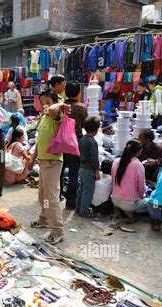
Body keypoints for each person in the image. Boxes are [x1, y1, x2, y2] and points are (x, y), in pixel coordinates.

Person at [28, 89, 70, 245]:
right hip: (43, 161)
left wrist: (59, 103)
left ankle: (57, 230)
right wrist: (32, 159)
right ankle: (44, 219)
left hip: (53, 162)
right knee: (42, 195)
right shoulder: (43, 118)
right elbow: (39, 141)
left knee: (51, 198)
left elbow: (53, 109)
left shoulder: (56, 115)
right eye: (42, 102)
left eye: (48, 102)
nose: (45, 105)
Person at [62, 80, 88, 210]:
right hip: (75, 142)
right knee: (73, 172)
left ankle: (56, 196)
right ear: (78, 92)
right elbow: (84, 125)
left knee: (60, 170)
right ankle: (70, 201)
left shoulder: (60, 106)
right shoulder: (81, 107)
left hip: (61, 141)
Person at [111, 139, 148, 222]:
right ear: (138, 152)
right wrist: (142, 196)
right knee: (150, 202)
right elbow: (141, 189)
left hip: (114, 200)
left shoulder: (116, 161)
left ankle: (118, 212)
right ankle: (130, 214)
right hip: (128, 204)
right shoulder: (138, 165)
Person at [76, 117, 101, 218]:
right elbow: (94, 158)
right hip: (89, 169)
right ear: (96, 130)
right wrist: (97, 170)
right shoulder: (92, 142)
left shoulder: (82, 139)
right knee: (88, 191)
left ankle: (78, 208)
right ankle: (84, 210)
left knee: (81, 189)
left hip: (82, 167)